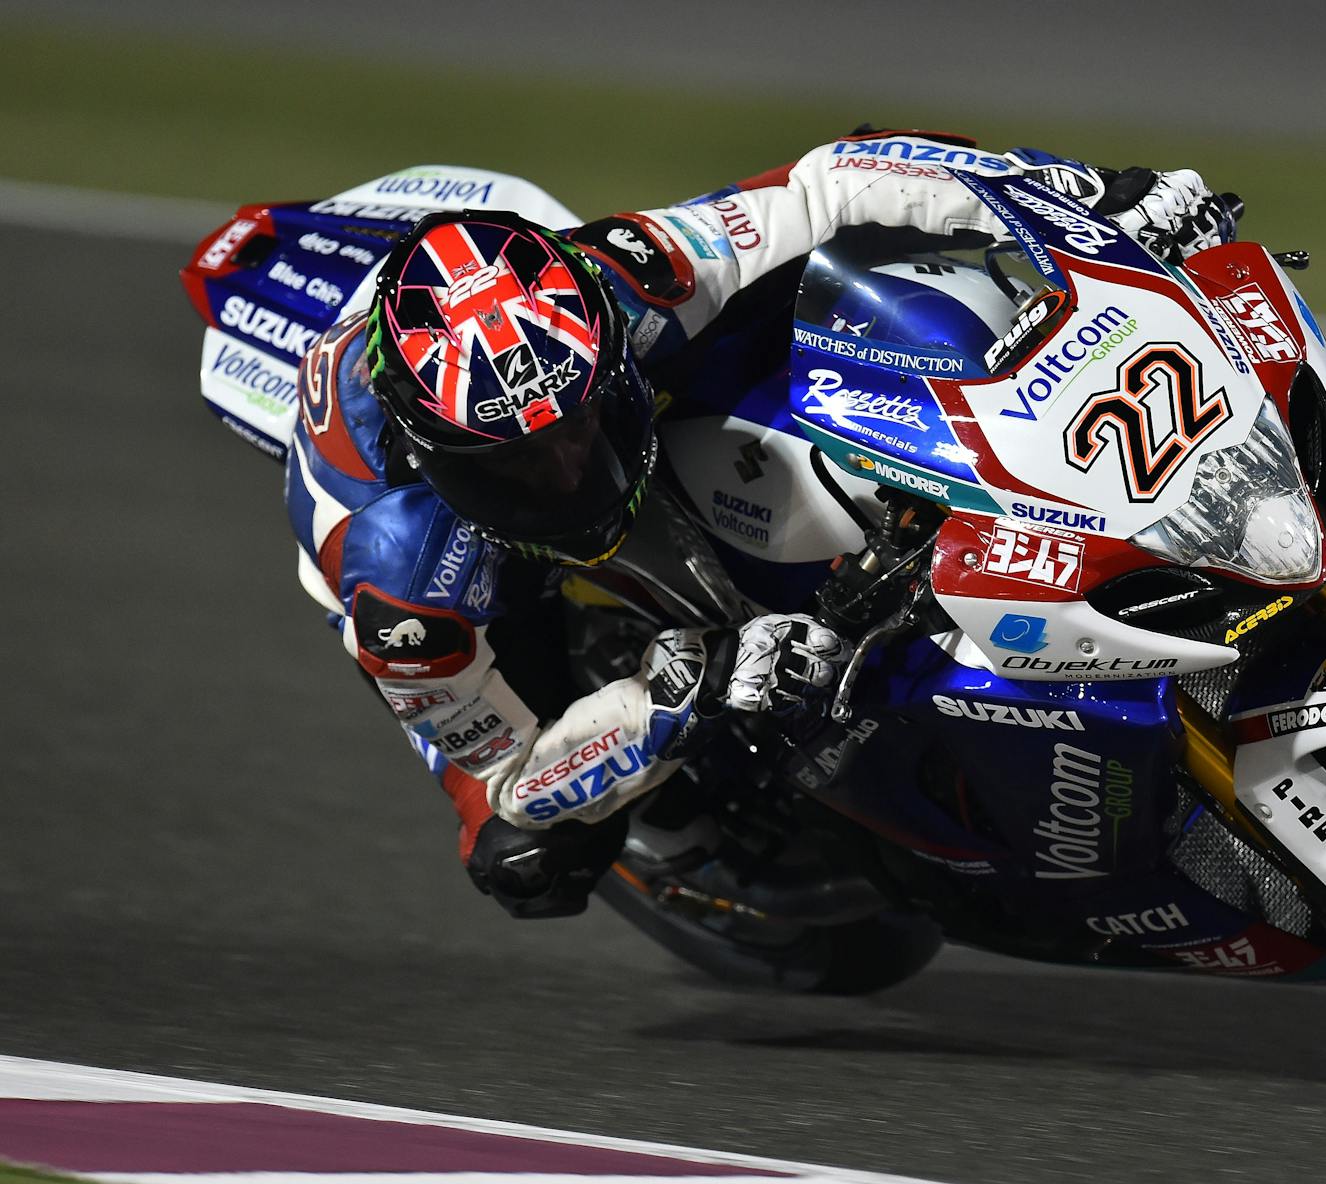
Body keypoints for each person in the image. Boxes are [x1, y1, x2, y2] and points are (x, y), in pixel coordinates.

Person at [285, 129, 1236, 919]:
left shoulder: (629, 279)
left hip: (568, 352)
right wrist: (667, 699)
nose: (568, 471)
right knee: (526, 863)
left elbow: (834, 180)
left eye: (576, 430)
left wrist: (1073, 199)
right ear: (443, 454)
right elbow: (506, 781)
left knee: (821, 286)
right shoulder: (396, 568)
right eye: (520, 463)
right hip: (461, 563)